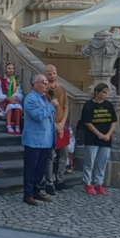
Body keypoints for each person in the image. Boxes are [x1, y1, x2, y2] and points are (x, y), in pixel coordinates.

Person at [22, 74, 57, 206]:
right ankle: (28, 194)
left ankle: (36, 190)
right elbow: (38, 116)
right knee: (31, 168)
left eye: (46, 82)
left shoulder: (43, 97)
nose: (45, 84)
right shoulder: (30, 99)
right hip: (34, 140)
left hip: (45, 140)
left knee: (40, 168)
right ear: (34, 84)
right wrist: (51, 106)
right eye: (42, 82)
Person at [81, 83, 118, 195]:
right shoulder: (88, 105)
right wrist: (99, 134)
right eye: (104, 92)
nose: (106, 94)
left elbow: (114, 121)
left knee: (102, 162)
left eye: (107, 92)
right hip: (92, 138)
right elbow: (87, 122)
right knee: (90, 162)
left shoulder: (108, 105)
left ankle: (99, 182)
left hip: (106, 139)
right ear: (97, 92)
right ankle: (87, 182)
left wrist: (108, 134)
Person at [44, 64, 70, 194]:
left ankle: (60, 179)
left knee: (63, 155)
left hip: (62, 125)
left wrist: (62, 124)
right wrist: (55, 125)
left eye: (54, 73)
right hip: (49, 126)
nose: (52, 75)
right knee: (50, 156)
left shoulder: (61, 88)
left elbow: (66, 105)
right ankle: (49, 181)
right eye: (49, 74)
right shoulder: (43, 91)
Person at [0, 62, 24, 134]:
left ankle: (17, 126)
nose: (11, 70)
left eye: (12, 68)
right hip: (3, 101)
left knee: (18, 106)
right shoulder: (0, 80)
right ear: (5, 69)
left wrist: (14, 97)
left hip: (13, 99)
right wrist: (7, 98)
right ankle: (8, 125)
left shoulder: (15, 80)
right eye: (9, 68)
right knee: (10, 106)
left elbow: (19, 92)